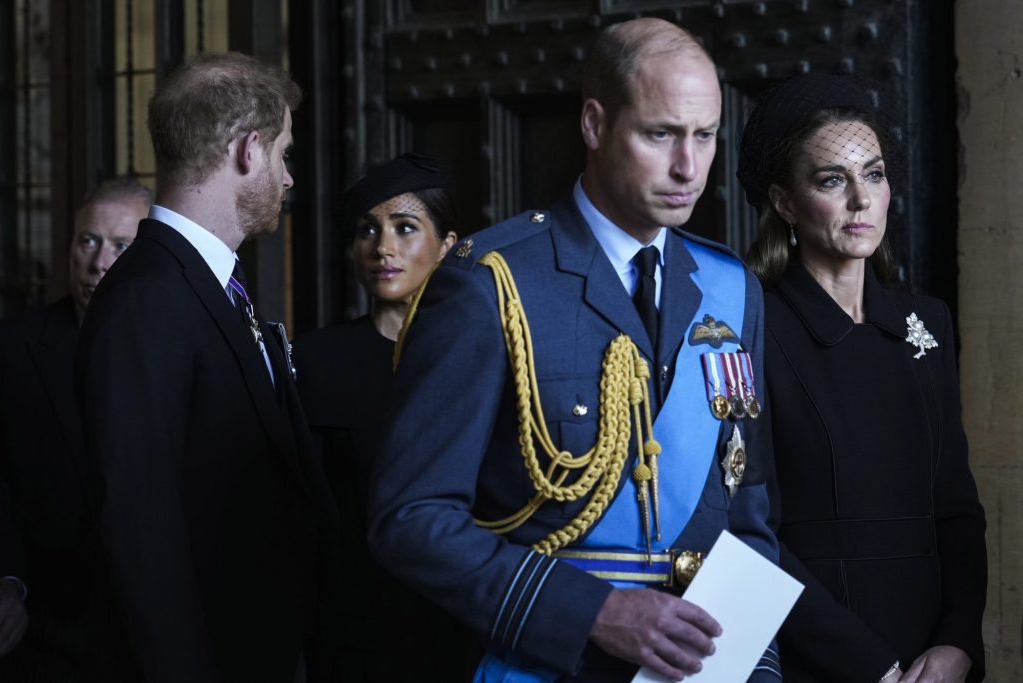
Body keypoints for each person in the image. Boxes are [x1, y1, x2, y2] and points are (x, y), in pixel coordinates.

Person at [368, 18, 781, 682]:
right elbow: (410, 520)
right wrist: (593, 611)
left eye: (705, 136)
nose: (688, 166)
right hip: (547, 663)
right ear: (594, 125)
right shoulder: (491, 284)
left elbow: (750, 512)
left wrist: (755, 669)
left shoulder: (731, 288)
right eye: (660, 134)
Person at [75, 52, 340, 683]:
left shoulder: (211, 282)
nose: (289, 178)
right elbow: (141, 532)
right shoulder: (146, 298)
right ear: (249, 150)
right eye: (284, 154)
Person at [739, 73, 987, 683]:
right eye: (832, 180)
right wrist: (869, 666)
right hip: (816, 657)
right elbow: (750, 533)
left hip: (934, 660)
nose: (861, 200)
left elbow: (956, 507)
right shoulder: (750, 326)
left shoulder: (925, 322)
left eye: (873, 175)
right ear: (784, 201)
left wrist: (958, 642)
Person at [290, 152, 463, 681]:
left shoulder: (478, 359)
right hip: (349, 635)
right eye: (368, 230)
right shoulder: (314, 360)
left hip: (458, 626)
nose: (382, 248)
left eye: (405, 228)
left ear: (447, 246)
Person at [0, 178, 150, 680]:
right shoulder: (13, 349)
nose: (99, 262)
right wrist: (8, 582)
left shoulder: (174, 353)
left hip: (147, 630)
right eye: (88, 241)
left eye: (121, 246)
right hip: (43, 627)